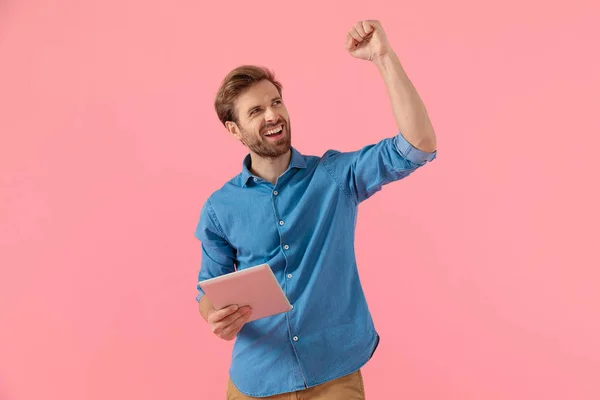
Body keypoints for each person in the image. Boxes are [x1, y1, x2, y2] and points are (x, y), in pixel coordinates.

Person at [195, 19, 437, 400]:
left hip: (333, 373)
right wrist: (215, 316)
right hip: (256, 381)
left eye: (276, 102)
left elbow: (417, 145)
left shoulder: (334, 176)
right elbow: (209, 287)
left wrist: (383, 58)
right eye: (255, 111)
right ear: (233, 129)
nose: (272, 115)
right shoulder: (219, 208)